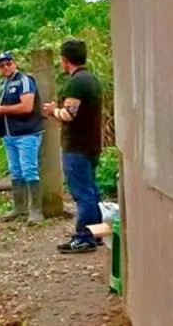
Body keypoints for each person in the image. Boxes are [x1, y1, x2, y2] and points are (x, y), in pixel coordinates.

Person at [42, 39, 104, 254]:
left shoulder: (76, 82)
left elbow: (69, 114)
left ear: (65, 60)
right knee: (92, 191)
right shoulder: (92, 79)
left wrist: (52, 111)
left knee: (83, 194)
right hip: (91, 143)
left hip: (77, 146)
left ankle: (84, 237)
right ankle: (96, 234)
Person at [0, 52, 45, 223]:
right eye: (1, 65)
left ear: (14, 63)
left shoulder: (24, 80)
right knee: (16, 170)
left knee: (29, 170)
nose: (5, 67)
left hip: (26, 133)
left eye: (8, 63)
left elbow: (27, 106)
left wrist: (3, 110)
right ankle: (19, 207)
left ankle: (36, 210)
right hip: (10, 133)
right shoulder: (3, 84)